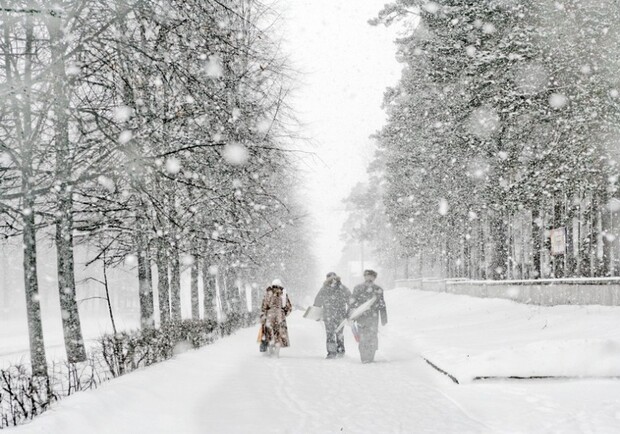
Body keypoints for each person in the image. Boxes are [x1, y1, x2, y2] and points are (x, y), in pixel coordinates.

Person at [349, 269, 387, 363]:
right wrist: (350, 314)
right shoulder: (358, 288)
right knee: (363, 337)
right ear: (364, 277)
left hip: (373, 318)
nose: (369, 278)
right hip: (361, 317)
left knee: (372, 337)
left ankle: (370, 356)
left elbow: (382, 304)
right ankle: (364, 357)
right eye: (367, 276)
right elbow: (352, 303)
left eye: (371, 276)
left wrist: (384, 318)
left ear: (374, 278)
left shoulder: (378, 289)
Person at [313, 272, 351, 359]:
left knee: (330, 334)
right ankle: (340, 351)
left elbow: (317, 302)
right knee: (339, 333)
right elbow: (351, 301)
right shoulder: (343, 288)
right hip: (341, 315)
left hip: (329, 315)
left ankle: (331, 353)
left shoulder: (324, 289)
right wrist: (349, 313)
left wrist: (315, 313)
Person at [260, 279, 292, 358]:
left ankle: (271, 351)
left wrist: (263, 314)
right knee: (278, 334)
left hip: (269, 316)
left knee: (270, 333)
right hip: (280, 316)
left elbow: (264, 305)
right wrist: (284, 314)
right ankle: (276, 353)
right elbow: (289, 307)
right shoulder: (283, 294)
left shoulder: (268, 293)